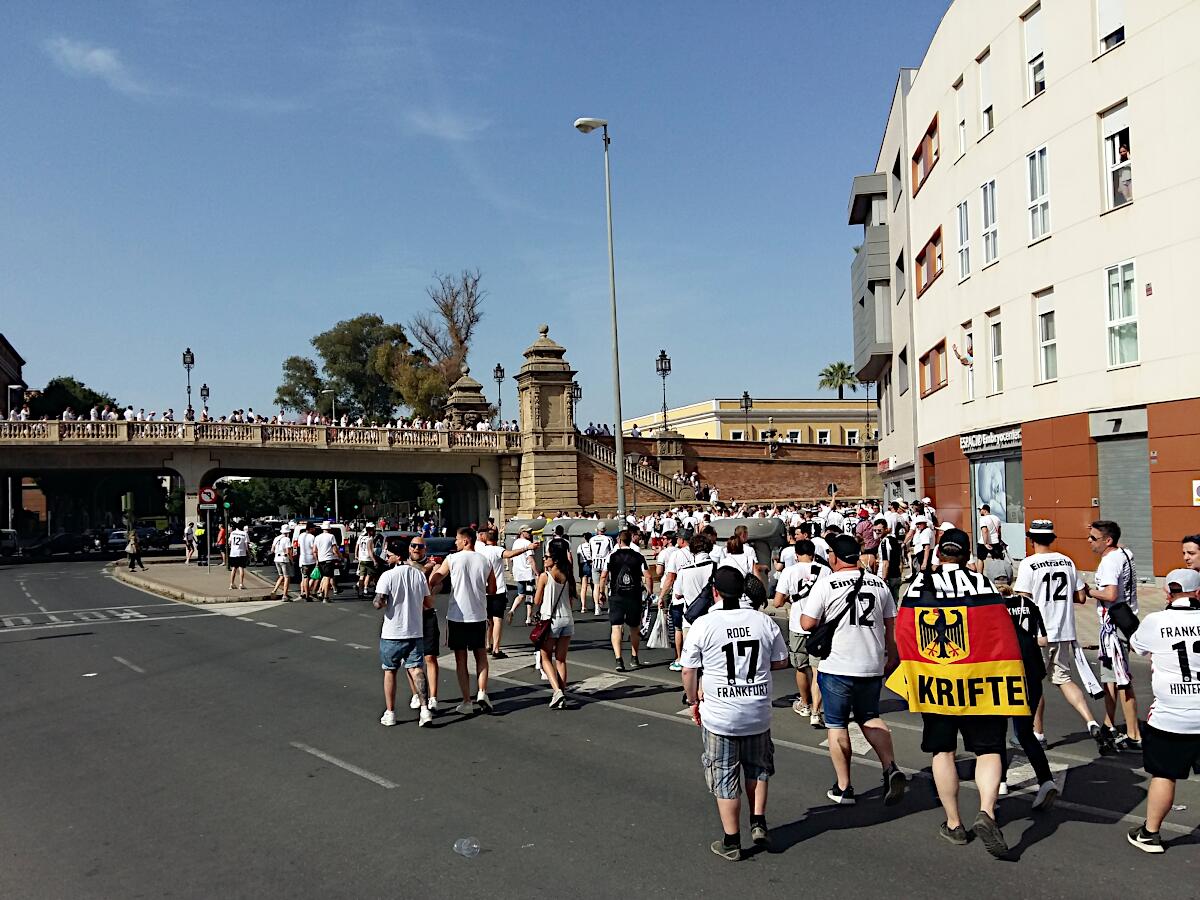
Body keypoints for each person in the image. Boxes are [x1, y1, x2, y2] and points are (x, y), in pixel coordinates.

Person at [906, 528, 1009, 857]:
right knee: (989, 749)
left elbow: (906, 634)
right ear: (967, 556)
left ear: (938, 554)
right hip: (982, 681)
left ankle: (954, 822)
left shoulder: (920, 584)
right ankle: (987, 811)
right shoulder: (983, 584)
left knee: (943, 751)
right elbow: (1001, 632)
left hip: (937, 681)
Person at [682, 566, 789, 860]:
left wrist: (693, 699)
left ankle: (731, 840)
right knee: (758, 767)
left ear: (715, 591)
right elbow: (781, 660)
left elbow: (689, 669)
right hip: (757, 709)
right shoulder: (762, 621)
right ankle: (758, 821)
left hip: (721, 714)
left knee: (724, 774)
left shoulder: (704, 624)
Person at [800, 534, 906, 808]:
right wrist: (892, 656)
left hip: (838, 664)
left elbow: (808, 622)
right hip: (871, 663)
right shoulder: (878, 583)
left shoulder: (827, 584)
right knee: (870, 716)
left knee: (836, 725)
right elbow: (891, 624)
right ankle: (890, 766)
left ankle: (844, 787)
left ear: (834, 557)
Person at [1013, 520, 1109, 754]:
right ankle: (1091, 721)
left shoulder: (1028, 564)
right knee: (1063, 678)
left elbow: (1024, 601)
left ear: (1031, 539)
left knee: (1034, 683)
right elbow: (1081, 597)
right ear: (1052, 539)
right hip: (1064, 630)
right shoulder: (1067, 562)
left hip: (1038, 633)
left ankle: (1038, 734)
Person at [1127, 567, 1200, 852]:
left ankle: (1150, 834)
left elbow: (1137, 647)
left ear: (1167, 593)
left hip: (1171, 716)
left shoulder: (1156, 620)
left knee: (1164, 775)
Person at [998, 580, 1058, 809]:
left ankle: (1000, 780)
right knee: (1025, 732)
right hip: (1032, 674)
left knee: (998, 730)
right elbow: (1043, 639)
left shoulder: (995, 610)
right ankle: (1045, 780)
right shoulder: (1029, 604)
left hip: (1007, 675)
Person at [428, 527, 497, 715]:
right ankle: (482, 692)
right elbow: (492, 588)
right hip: (478, 615)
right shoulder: (484, 560)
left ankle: (467, 700)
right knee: (481, 655)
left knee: (461, 659)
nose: (455, 543)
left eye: (458, 539)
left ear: (466, 541)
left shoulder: (452, 559)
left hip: (457, 615)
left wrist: (430, 576)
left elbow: (437, 578)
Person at [1087, 519, 1142, 750]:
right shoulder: (1124, 554)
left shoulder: (1109, 562)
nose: (1089, 542)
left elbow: (1110, 595)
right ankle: (1109, 724)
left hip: (1114, 626)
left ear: (1107, 540)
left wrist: (1088, 590)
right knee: (1110, 677)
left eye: (1093, 538)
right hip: (1125, 621)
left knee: (1122, 680)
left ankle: (1134, 734)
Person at [374, 544, 435, 728]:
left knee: (390, 671)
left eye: (389, 554)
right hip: (415, 631)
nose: (387, 557)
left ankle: (390, 712)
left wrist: (382, 602)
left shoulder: (388, 576)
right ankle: (425, 710)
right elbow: (427, 602)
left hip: (393, 632)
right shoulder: (418, 575)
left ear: (397, 557)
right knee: (417, 669)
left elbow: (378, 602)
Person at [773, 539, 828, 727]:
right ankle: (816, 711)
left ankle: (805, 703)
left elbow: (778, 602)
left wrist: (792, 599)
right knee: (818, 669)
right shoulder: (825, 570)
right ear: (814, 553)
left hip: (798, 625)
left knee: (801, 667)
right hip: (819, 625)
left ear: (796, 554)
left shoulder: (789, 571)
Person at [535, 542, 575, 709]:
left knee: (545, 657)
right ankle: (562, 694)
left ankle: (557, 691)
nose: (544, 560)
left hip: (550, 620)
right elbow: (572, 600)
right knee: (561, 659)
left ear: (555, 559)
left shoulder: (545, 576)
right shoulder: (568, 575)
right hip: (567, 619)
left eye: (547, 557)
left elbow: (537, 600)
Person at [669, 533, 716, 673]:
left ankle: (692, 692)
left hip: (690, 618)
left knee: (691, 663)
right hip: (712, 619)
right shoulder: (717, 567)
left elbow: (678, 594)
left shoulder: (685, 571)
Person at [404, 535, 440, 713]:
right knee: (410, 661)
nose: (416, 549)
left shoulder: (436, 567)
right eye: (413, 546)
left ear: (425, 549)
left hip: (426, 616)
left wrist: (427, 569)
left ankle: (432, 697)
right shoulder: (402, 567)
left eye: (420, 546)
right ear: (409, 548)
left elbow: (431, 589)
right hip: (409, 618)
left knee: (430, 657)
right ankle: (417, 694)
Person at [606, 529, 650, 671]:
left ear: (619, 541)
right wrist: (649, 592)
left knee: (616, 627)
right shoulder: (638, 556)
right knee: (634, 627)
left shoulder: (611, 556)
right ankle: (634, 657)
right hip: (634, 595)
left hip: (617, 595)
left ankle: (619, 660)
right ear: (631, 540)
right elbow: (647, 576)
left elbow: (604, 575)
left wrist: (601, 591)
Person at [477, 528, 508, 659]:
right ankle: (496, 648)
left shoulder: (479, 550)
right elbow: (510, 554)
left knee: (488, 619)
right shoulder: (497, 550)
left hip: (484, 590)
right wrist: (527, 548)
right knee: (497, 619)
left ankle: (486, 644)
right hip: (498, 589)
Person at [504, 526, 539, 625]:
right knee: (529, 596)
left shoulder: (516, 543)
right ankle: (528, 618)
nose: (530, 533)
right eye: (528, 532)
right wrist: (537, 573)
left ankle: (512, 610)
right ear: (522, 532)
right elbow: (531, 560)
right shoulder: (528, 544)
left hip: (518, 573)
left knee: (520, 594)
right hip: (528, 573)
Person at [874, 518, 903, 601]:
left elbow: (886, 563)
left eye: (879, 530)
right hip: (896, 575)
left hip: (888, 577)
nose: (877, 532)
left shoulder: (885, 542)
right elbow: (900, 560)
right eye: (875, 530)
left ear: (886, 529)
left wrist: (883, 579)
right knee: (894, 602)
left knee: (887, 605)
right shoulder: (894, 540)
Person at [588, 528, 615, 614]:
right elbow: (611, 552)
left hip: (595, 563)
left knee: (596, 586)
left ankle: (596, 607)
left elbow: (590, 552)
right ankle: (609, 606)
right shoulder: (608, 539)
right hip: (605, 564)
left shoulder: (592, 539)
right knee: (608, 585)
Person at [314, 522, 341, 602]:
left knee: (324, 577)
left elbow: (314, 550)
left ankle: (320, 592)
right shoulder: (331, 536)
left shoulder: (317, 537)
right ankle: (325, 597)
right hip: (328, 559)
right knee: (327, 578)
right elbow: (335, 549)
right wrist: (340, 557)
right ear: (329, 529)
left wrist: (317, 560)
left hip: (321, 559)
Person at [355, 524, 381, 599]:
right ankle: (367, 588)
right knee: (370, 574)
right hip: (368, 559)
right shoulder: (370, 539)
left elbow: (357, 546)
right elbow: (370, 551)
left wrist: (356, 555)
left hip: (362, 559)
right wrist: (374, 560)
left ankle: (360, 591)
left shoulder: (362, 538)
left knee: (361, 576)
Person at [270, 525, 294, 601]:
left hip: (276, 559)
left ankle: (274, 591)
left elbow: (272, 550)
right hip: (284, 559)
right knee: (287, 577)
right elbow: (288, 551)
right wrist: (291, 560)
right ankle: (285, 595)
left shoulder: (276, 538)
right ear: (288, 532)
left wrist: (278, 551)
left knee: (281, 576)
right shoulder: (287, 539)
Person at [296, 522, 317, 601]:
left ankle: (306, 594)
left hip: (303, 560)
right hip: (311, 559)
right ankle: (312, 592)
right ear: (310, 528)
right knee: (315, 576)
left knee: (305, 577)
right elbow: (314, 548)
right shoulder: (312, 537)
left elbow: (298, 545)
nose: (314, 529)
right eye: (313, 528)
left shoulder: (301, 536)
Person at [226, 521, 250, 588]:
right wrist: (248, 553)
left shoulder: (232, 533)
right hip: (241, 552)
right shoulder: (244, 534)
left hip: (233, 553)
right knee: (241, 568)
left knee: (233, 568)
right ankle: (241, 584)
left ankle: (231, 584)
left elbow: (229, 542)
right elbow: (246, 545)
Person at [577, 531, 594, 613]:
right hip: (592, 565)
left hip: (583, 565)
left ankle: (583, 606)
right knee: (594, 586)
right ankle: (596, 604)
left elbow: (578, 559)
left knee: (584, 587)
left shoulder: (580, 547)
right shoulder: (592, 546)